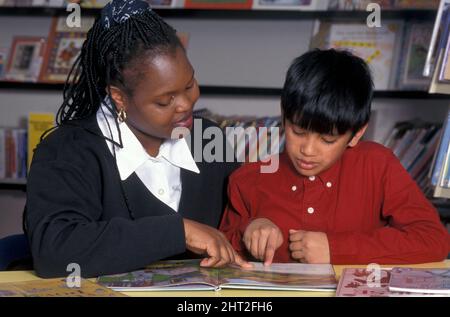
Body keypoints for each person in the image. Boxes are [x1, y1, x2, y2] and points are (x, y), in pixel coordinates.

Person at [24, 0, 249, 278]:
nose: (185, 104)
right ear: (119, 97)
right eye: (165, 100)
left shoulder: (207, 138)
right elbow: (54, 251)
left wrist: (257, 224)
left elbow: (243, 213)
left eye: (190, 85)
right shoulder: (68, 151)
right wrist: (178, 231)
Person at [220, 49, 449, 266]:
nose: (308, 150)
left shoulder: (377, 166)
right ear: (284, 116)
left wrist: (336, 249)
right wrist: (249, 230)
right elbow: (219, 251)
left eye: (327, 140)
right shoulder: (247, 179)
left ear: (356, 133)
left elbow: (433, 239)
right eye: (298, 132)